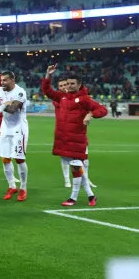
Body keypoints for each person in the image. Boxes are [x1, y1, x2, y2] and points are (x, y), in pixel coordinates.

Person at [41, 65, 108, 206]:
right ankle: (91, 196)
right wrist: (48, 75)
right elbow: (46, 90)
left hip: (77, 139)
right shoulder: (62, 97)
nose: (69, 86)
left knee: (77, 166)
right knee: (76, 167)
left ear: (79, 85)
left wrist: (91, 114)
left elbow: (102, 110)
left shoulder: (84, 99)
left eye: (72, 84)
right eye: (68, 83)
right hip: (64, 139)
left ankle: (73, 198)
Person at [0, 71, 29, 201]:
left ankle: (23, 188)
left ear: (12, 80)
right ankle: (12, 186)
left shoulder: (20, 92)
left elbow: (12, 109)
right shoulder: (0, 90)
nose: (2, 83)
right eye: (1, 80)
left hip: (18, 128)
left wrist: (0, 105)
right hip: (5, 128)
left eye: (5, 80)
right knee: (5, 158)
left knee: (19, 159)